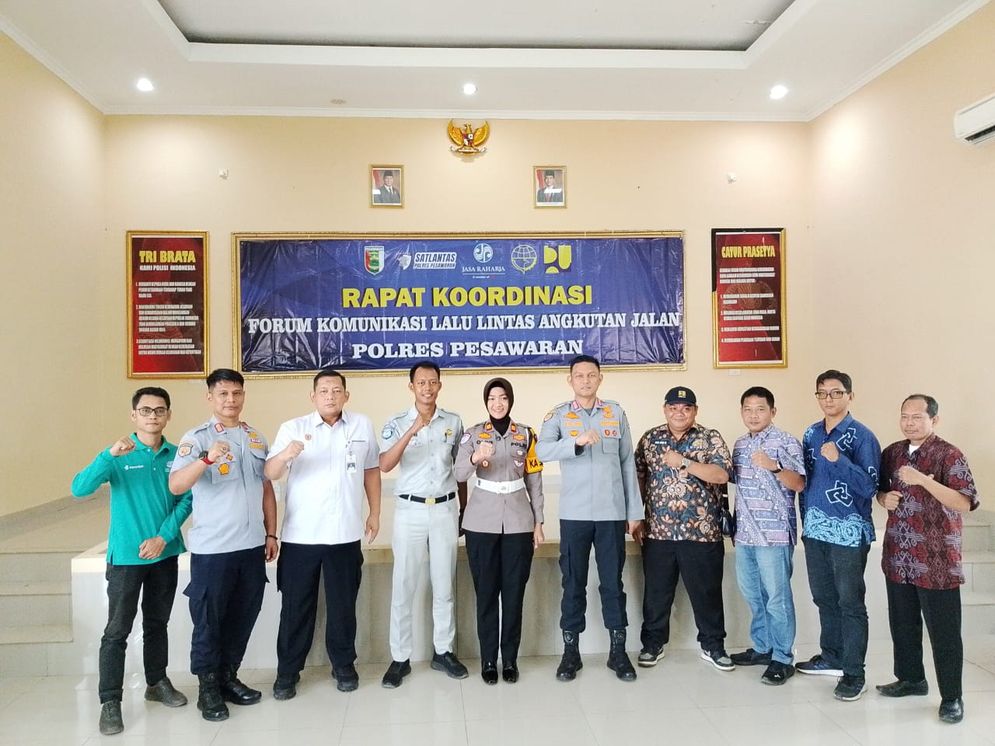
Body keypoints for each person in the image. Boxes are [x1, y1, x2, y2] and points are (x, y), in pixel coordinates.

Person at [71, 387, 192, 736]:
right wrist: (107, 455)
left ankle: (157, 682)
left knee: (157, 623)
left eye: (159, 410)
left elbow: (187, 499)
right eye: (146, 410)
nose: (153, 415)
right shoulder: (119, 454)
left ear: (168, 415)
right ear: (134, 415)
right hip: (126, 558)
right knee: (117, 630)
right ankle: (110, 701)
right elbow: (79, 489)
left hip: (164, 554)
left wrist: (162, 537)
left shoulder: (177, 455)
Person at [169, 368, 278, 721]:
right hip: (213, 550)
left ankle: (228, 677)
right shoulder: (197, 438)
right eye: (223, 394)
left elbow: (266, 488)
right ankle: (208, 688)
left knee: (243, 615)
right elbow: (176, 485)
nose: (231, 399)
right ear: (210, 398)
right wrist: (206, 460)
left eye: (236, 393)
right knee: (209, 620)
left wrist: (271, 533)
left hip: (251, 546)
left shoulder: (255, 438)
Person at [265, 369, 381, 699]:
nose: (330, 395)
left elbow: (371, 470)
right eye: (324, 391)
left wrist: (375, 512)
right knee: (296, 607)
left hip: (344, 535)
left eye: (336, 390)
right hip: (301, 537)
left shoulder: (361, 425)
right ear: (313, 396)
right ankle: (288, 671)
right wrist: (285, 455)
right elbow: (270, 472)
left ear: (346, 395)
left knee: (343, 607)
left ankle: (343, 665)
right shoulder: (293, 428)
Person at [536, 354, 642, 683]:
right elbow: (541, 451)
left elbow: (627, 463)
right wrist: (575, 442)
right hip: (575, 514)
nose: (585, 380)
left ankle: (618, 652)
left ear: (600, 379)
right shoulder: (558, 415)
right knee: (573, 584)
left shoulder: (615, 413)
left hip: (611, 514)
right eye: (579, 375)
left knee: (612, 583)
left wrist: (634, 512)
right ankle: (571, 653)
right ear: (570, 380)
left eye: (591, 375)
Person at [875, 394, 979, 724]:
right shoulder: (892, 453)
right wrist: (884, 498)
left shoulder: (950, 454)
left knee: (944, 632)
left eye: (917, 417)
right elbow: (879, 490)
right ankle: (911, 679)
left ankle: (952, 697)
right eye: (905, 416)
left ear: (934, 419)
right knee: (903, 624)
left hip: (937, 559)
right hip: (899, 555)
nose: (909, 423)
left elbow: (964, 502)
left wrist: (922, 480)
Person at [634, 386, 735, 672]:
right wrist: (635, 516)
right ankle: (652, 645)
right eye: (674, 407)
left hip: (701, 532)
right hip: (659, 532)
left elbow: (721, 475)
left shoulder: (709, 437)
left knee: (707, 594)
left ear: (695, 411)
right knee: (656, 594)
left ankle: (713, 646)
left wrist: (685, 462)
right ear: (665, 409)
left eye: (686, 408)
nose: (679, 412)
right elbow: (638, 477)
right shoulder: (650, 439)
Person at [379, 361, 467, 687]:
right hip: (410, 511)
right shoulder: (396, 422)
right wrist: (411, 431)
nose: (427, 388)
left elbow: (460, 471)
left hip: (444, 509)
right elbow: (385, 464)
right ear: (411, 387)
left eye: (432, 382)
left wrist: (464, 510)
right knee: (403, 585)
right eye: (421, 383)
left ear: (439, 385)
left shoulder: (453, 422)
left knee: (444, 585)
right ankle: (400, 658)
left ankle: (443, 651)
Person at [795, 369, 881, 701]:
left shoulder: (863, 436)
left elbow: (869, 487)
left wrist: (840, 460)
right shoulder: (811, 433)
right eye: (822, 393)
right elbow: (806, 483)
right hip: (816, 529)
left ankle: (854, 673)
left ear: (850, 396)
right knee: (824, 597)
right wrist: (806, 524)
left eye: (836, 392)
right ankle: (831, 656)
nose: (828, 399)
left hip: (849, 531)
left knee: (850, 603)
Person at [455, 377, 544, 685]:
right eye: (492, 398)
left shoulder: (527, 434)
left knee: (514, 594)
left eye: (503, 397)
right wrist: (475, 457)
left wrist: (538, 522)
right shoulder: (473, 434)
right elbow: (458, 473)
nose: (497, 403)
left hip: (519, 522)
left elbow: (534, 480)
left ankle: (510, 660)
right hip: (481, 523)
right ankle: (489, 660)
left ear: (510, 400)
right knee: (486, 594)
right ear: (486, 402)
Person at [729, 386, 806, 685]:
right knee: (753, 595)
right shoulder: (739, 445)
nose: (753, 415)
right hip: (745, 534)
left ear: (773, 412)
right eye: (747, 409)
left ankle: (783, 658)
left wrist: (774, 467)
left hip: (774, 535)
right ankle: (763, 648)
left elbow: (799, 483)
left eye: (760, 409)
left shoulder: (786, 441)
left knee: (777, 598)